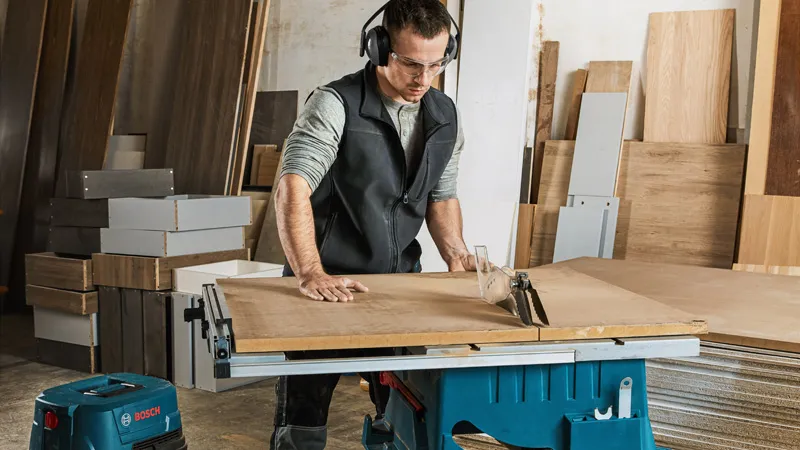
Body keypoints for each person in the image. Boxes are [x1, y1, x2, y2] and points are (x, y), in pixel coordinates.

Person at [269, 0, 474, 447]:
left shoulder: (445, 115)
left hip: (398, 289)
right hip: (327, 288)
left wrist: (457, 254)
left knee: (405, 416)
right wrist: (310, 272)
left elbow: (441, 194)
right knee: (303, 424)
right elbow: (292, 186)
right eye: (411, 64)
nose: (424, 78)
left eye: (436, 64)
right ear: (379, 47)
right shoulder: (336, 103)